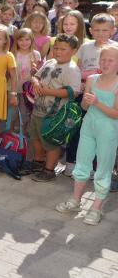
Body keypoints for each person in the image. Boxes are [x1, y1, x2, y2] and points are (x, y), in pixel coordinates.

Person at [56, 46, 118, 225]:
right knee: (82, 162)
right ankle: (75, 201)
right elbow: (84, 107)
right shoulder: (92, 79)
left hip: (109, 130)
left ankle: (96, 208)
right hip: (88, 126)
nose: (105, 63)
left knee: (103, 167)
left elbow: (116, 114)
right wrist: (86, 101)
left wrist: (97, 102)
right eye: (103, 59)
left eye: (110, 60)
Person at [29, 34, 82, 182]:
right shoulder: (50, 62)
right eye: (56, 48)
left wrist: (48, 91)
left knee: (51, 143)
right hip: (38, 109)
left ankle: (49, 170)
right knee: (35, 137)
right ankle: (39, 162)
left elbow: (73, 92)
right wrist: (36, 82)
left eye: (63, 49)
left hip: (54, 115)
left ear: (73, 51)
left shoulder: (72, 69)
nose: (58, 51)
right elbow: (36, 76)